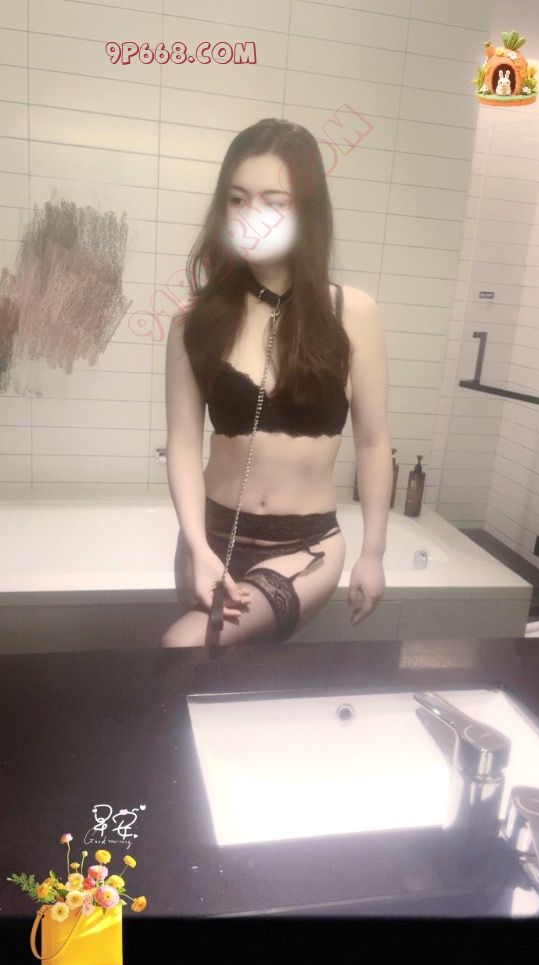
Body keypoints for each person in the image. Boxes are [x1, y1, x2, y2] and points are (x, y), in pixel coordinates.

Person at [160, 118, 392, 648]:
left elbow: (374, 441)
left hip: (304, 546)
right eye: (237, 199)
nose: (251, 215)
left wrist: (373, 552)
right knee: (215, 680)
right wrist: (196, 545)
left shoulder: (352, 312)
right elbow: (183, 443)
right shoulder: (195, 319)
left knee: (185, 646)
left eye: (273, 201)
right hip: (209, 537)